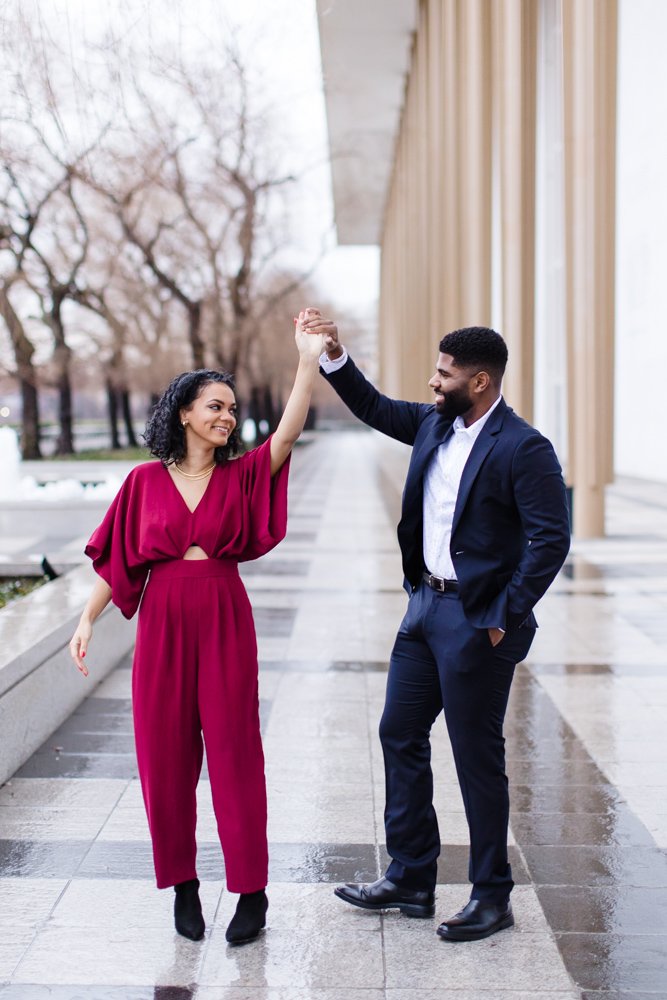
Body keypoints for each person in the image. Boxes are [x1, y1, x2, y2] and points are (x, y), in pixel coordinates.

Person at [305, 312, 570, 942]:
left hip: (478, 621)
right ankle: (412, 875)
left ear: (479, 382)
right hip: (424, 609)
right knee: (398, 731)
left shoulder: (523, 446)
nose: (432, 381)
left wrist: (503, 617)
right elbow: (371, 405)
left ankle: (491, 895)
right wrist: (333, 356)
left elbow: (551, 538)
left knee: (476, 758)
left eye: (443, 373)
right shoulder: (431, 424)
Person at [69, 312, 323, 946]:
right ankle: (182, 886)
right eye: (216, 406)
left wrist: (306, 360)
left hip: (222, 614)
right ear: (184, 411)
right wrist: (86, 618)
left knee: (236, 753)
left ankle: (251, 892)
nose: (227, 417)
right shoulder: (143, 481)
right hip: (161, 621)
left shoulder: (240, 476)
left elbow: (287, 433)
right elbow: (117, 558)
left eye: (232, 409)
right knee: (164, 757)